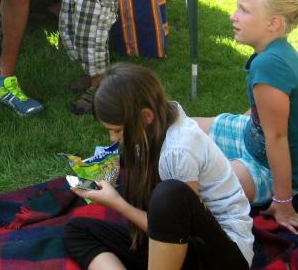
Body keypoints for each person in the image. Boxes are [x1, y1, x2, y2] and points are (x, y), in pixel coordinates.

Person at [63, 63, 254, 270]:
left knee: (168, 194)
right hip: (180, 242)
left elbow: (179, 229)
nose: (113, 138)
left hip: (223, 255)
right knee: (77, 230)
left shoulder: (178, 151)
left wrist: (117, 203)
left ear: (146, 116)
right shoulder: (159, 120)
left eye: (117, 130)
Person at [194, 0, 298, 236]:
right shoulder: (274, 52)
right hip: (254, 138)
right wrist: (232, 125)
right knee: (180, 128)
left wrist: (283, 203)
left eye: (244, 10)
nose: (233, 16)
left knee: (191, 186)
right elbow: (260, 113)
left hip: (274, 170)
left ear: (272, 23)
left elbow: (277, 138)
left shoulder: (269, 65)